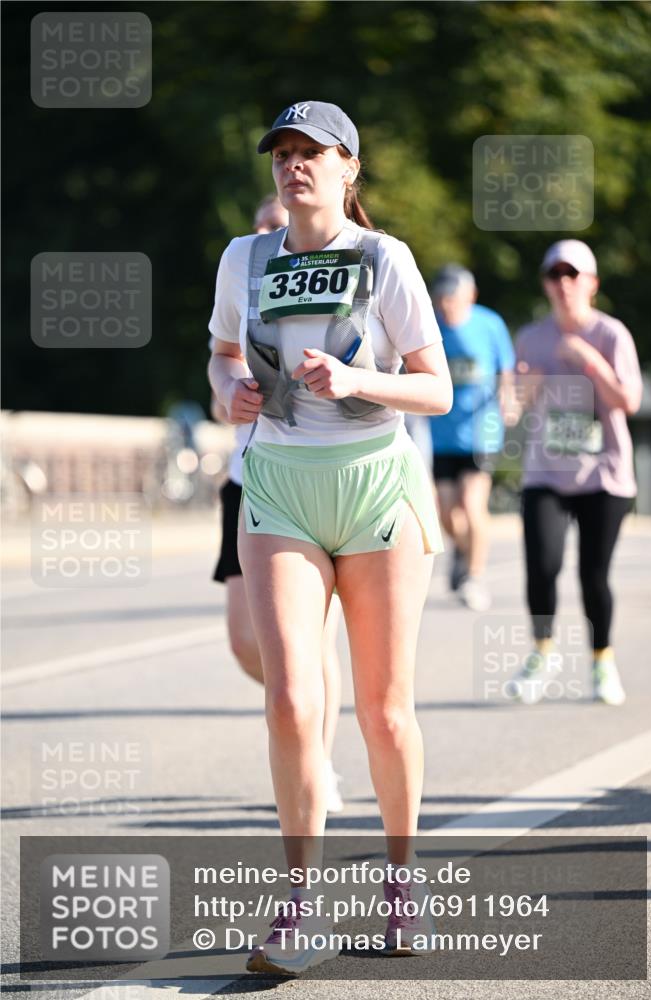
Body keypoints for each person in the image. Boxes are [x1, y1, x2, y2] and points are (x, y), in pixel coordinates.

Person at [207, 100, 452, 974]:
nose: (294, 164)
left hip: (375, 490)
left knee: (384, 712)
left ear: (350, 170)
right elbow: (222, 359)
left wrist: (357, 376)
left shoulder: (384, 259)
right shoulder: (246, 257)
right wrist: (227, 393)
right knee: (290, 701)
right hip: (278, 486)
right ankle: (299, 907)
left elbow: (437, 391)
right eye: (283, 151)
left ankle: (400, 884)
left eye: (314, 152)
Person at [211, 194, 344, 814]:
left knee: (311, 648)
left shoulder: (332, 279)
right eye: (263, 224)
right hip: (248, 479)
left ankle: (314, 760)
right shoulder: (240, 276)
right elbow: (221, 370)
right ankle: (299, 716)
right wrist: (229, 393)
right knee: (244, 643)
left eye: (277, 224)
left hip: (318, 480)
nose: (272, 232)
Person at [510, 240, 642, 707]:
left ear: (592, 283)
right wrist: (521, 388)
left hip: (603, 475)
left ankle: (601, 660)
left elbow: (629, 402)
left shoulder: (611, 334)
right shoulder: (530, 338)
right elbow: (512, 411)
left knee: (593, 575)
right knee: (542, 566)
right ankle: (542, 654)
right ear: (546, 283)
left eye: (573, 274)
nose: (563, 284)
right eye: (555, 274)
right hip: (546, 470)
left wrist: (589, 362)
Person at [428, 265, 515, 611]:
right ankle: (463, 553)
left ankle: (474, 577)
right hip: (441, 433)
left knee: (472, 504)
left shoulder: (489, 324)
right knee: (447, 512)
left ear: (471, 296)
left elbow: (505, 371)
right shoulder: (431, 324)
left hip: (482, 430)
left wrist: (508, 401)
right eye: (442, 300)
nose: (447, 307)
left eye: (454, 300)